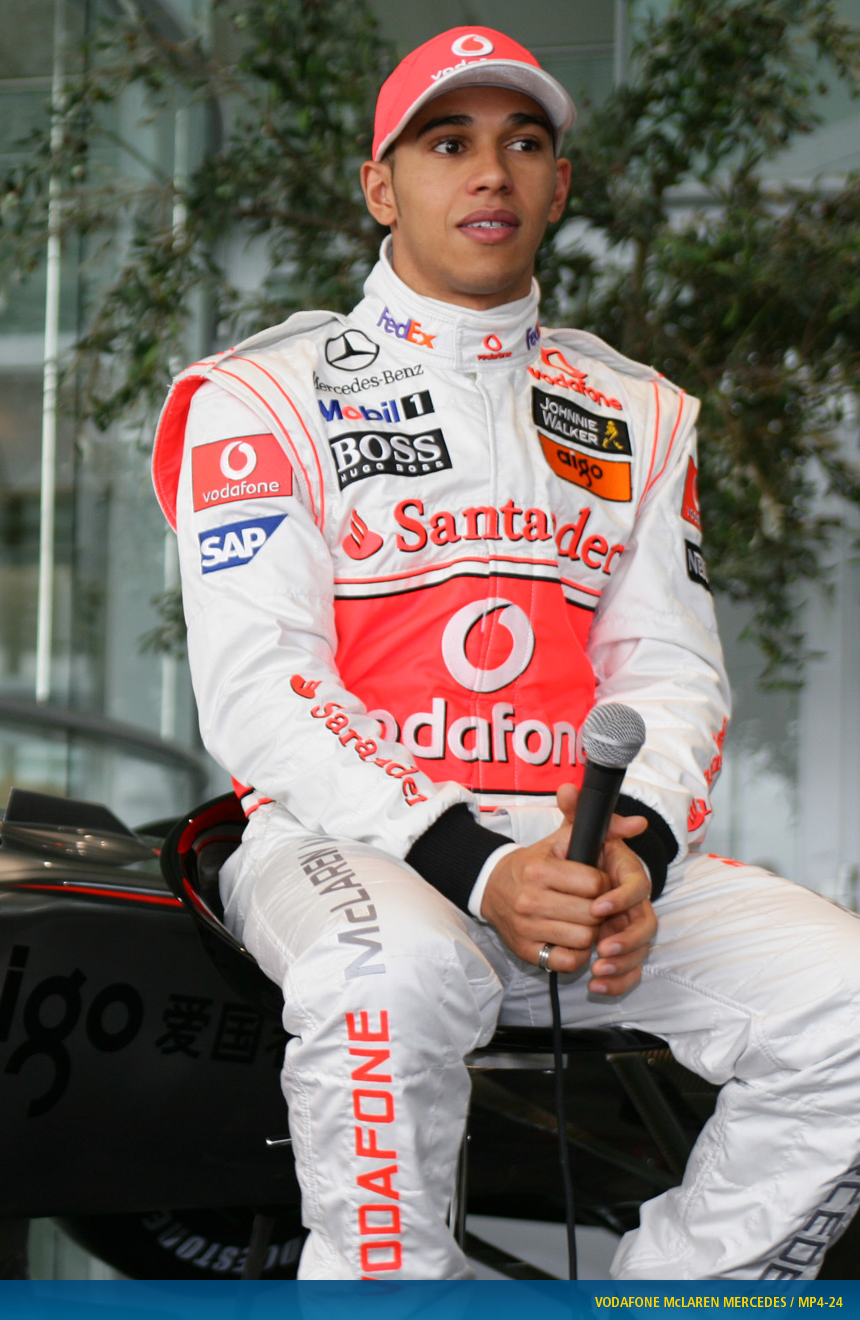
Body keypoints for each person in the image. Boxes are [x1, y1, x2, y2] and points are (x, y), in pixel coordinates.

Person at [151, 25, 860, 1280]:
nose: (489, 171)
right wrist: (476, 865)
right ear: (380, 187)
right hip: (350, 854)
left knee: (846, 998)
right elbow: (263, 689)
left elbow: (671, 671)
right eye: (446, 143)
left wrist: (626, 855)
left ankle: (681, 1305)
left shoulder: (637, 409)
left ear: (557, 186)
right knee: (388, 975)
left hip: (582, 871)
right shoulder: (259, 397)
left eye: (522, 143)